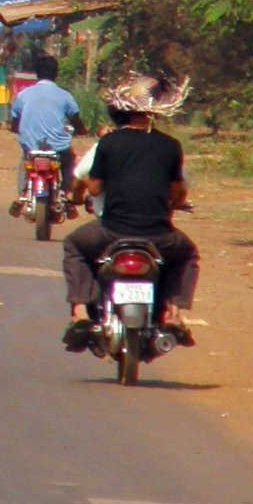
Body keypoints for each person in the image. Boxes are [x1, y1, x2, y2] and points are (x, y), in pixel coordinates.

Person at [62, 74, 199, 351]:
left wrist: (87, 187)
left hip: (111, 232)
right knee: (188, 253)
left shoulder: (109, 144)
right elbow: (178, 193)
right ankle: (173, 312)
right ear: (156, 109)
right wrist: (167, 205)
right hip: (159, 235)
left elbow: (96, 188)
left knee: (73, 244)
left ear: (121, 109)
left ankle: (79, 313)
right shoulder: (171, 146)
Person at [9, 54, 88, 214]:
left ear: (37, 73)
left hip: (31, 145)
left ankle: (22, 195)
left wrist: (18, 129)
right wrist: (82, 130)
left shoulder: (24, 94)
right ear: (56, 73)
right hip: (57, 147)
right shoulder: (65, 96)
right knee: (69, 160)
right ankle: (66, 194)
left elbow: (14, 121)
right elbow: (76, 120)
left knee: (25, 159)